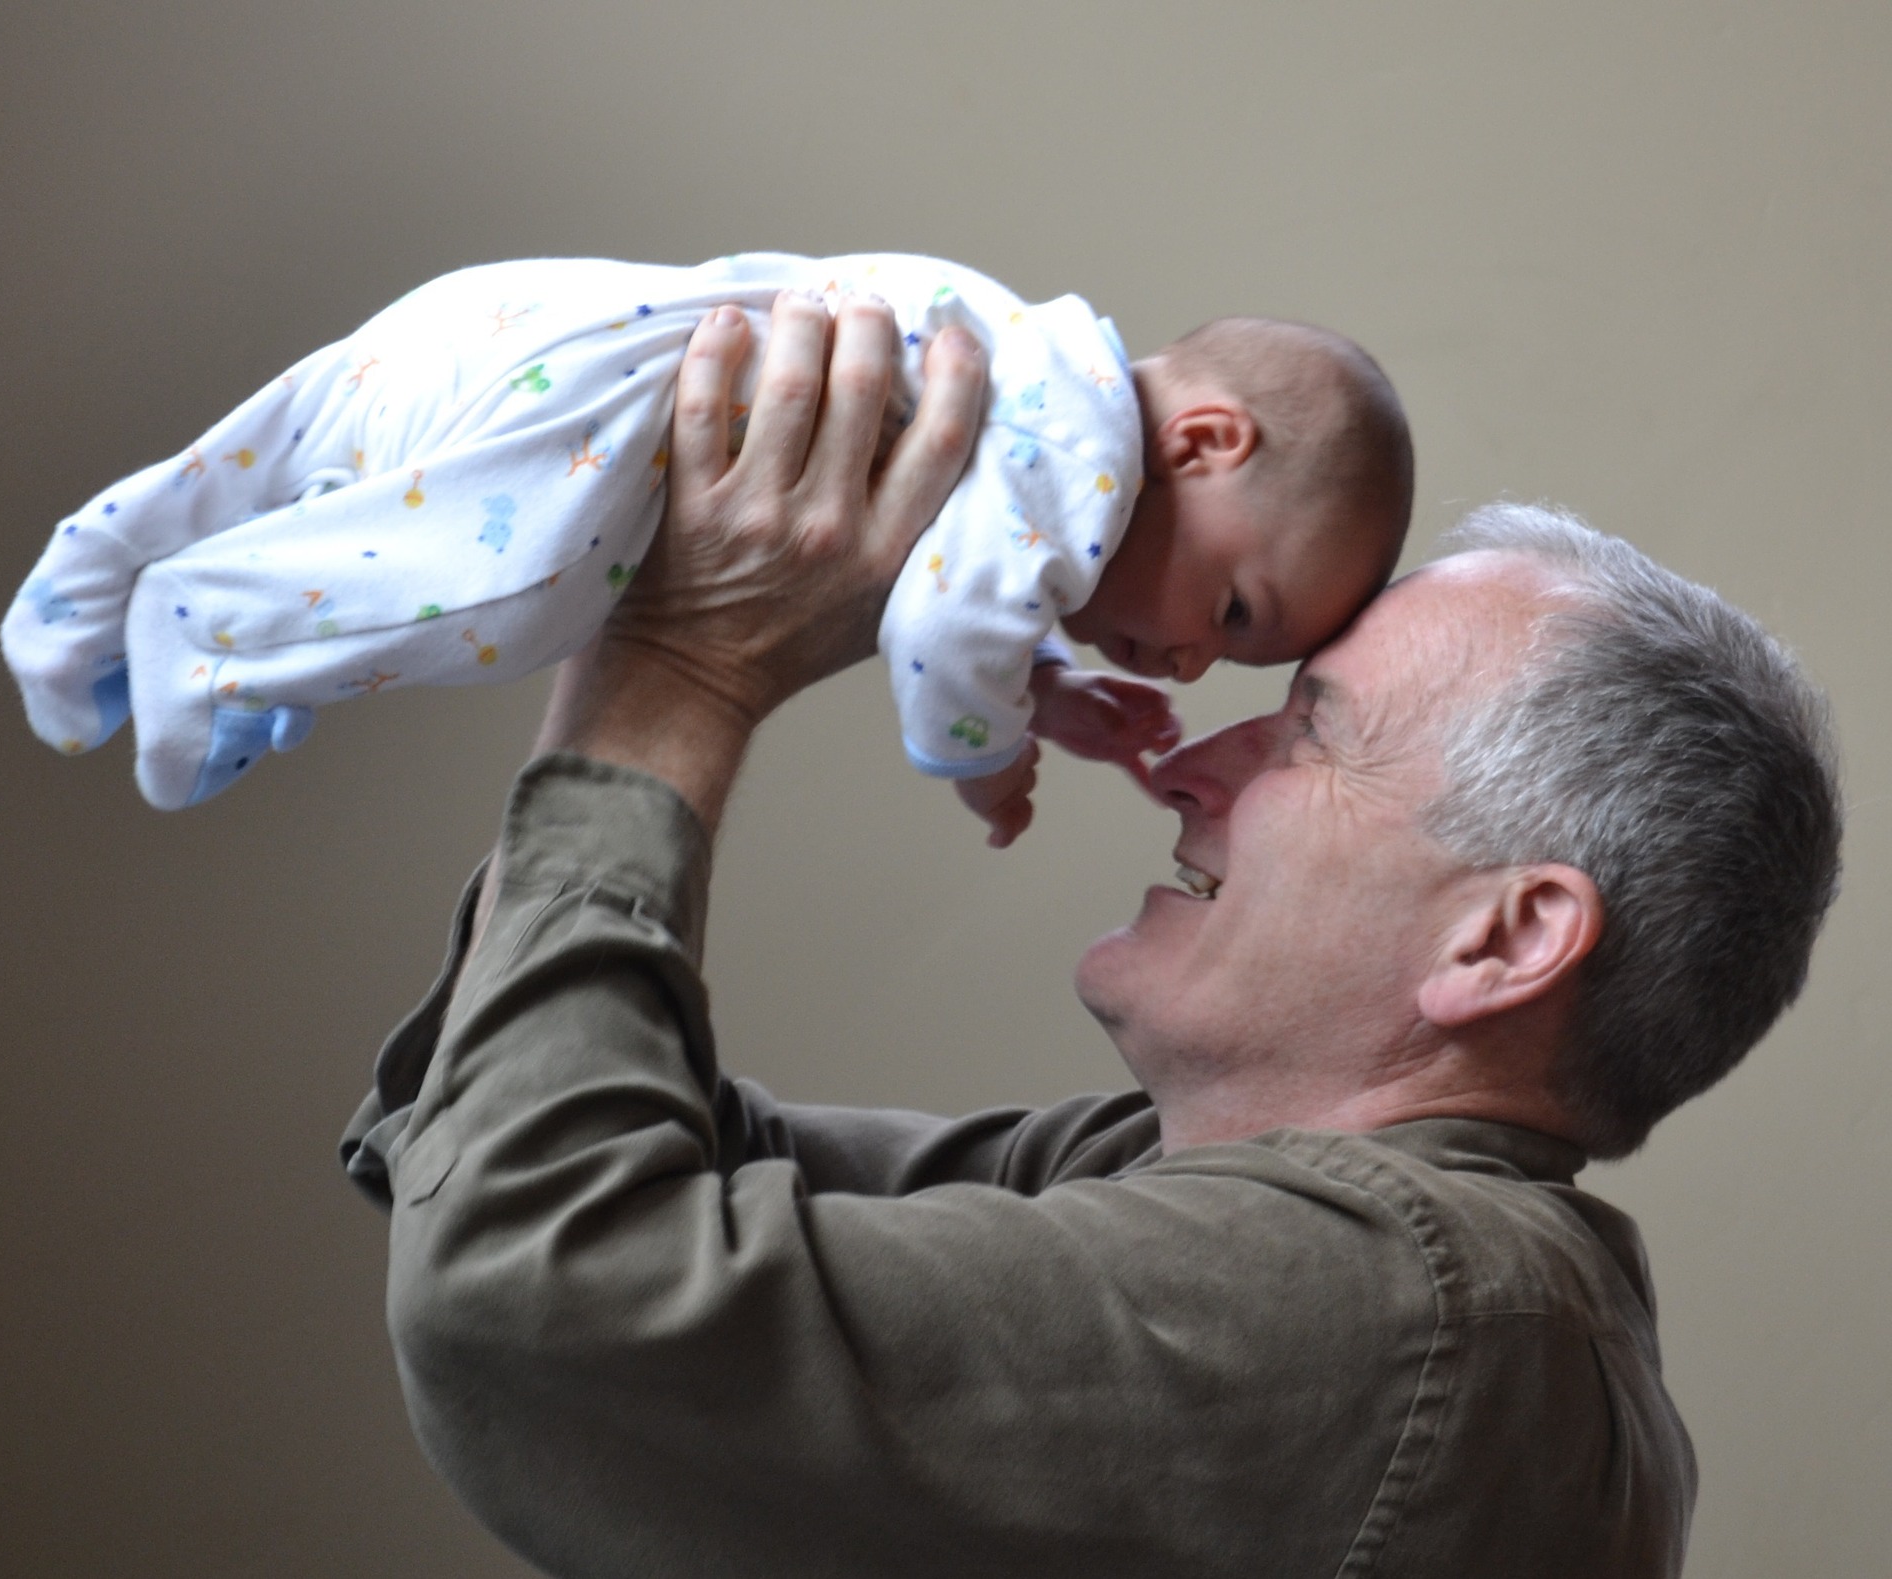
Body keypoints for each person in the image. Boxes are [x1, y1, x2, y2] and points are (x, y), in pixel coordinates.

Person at [341, 297, 1841, 1577]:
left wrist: (678, 664)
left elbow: (529, 1289)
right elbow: (518, 1134)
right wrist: (742, 592)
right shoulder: (1205, 1198)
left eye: (1309, 733)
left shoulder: (1395, 1304)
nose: (1189, 762)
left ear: (1505, 940)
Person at [0, 254, 1410, 843]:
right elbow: (936, 637)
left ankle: (92, 599)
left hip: (531, 325)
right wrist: (985, 757)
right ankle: (211, 632)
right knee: (512, 601)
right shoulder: (1078, 447)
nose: (1188, 659)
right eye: (1235, 612)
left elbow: (967, 577)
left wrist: (1050, 684)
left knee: (286, 457)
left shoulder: (1039, 379)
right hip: (598, 415)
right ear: (1205, 442)